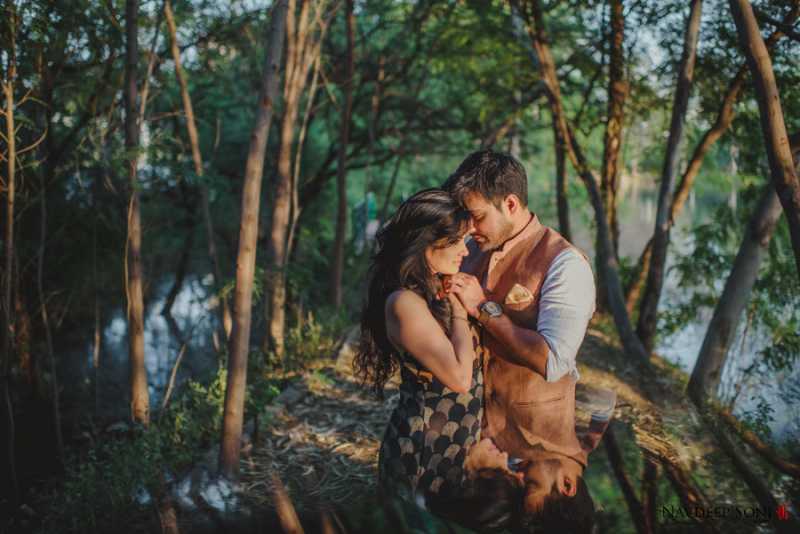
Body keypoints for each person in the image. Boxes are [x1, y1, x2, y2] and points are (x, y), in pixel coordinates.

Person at [443, 149, 599, 532]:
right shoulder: (469, 249)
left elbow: (553, 360)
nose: (469, 228)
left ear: (510, 204)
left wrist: (483, 307)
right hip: (473, 437)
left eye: (477, 216)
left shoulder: (565, 265)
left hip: (532, 440)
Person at [353, 188, 522, 524]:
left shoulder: (435, 289)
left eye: (466, 239)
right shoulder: (404, 302)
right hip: (423, 451)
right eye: (457, 241)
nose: (465, 249)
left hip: (455, 447)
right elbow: (459, 378)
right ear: (425, 243)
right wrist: (459, 311)